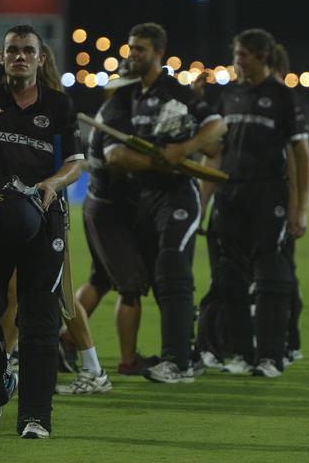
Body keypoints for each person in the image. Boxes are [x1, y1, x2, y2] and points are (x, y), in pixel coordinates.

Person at [0, 25, 83, 438]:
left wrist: (53, 184)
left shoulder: (58, 107)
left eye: (28, 51)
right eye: (12, 51)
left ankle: (35, 417)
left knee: (39, 320)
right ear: (2, 58)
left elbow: (76, 163)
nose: (20, 57)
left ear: (41, 59)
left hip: (44, 221)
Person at [108, 22, 225, 383]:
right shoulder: (131, 95)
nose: (133, 54)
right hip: (144, 197)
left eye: (140, 49)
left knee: (173, 265)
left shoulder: (174, 90)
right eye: (130, 47)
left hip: (178, 194)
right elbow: (115, 154)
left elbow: (217, 126)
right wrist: (152, 160)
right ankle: (188, 352)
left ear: (158, 52)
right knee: (161, 280)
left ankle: (179, 363)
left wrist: (183, 150)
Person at [201, 29, 303, 378]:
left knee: (271, 275)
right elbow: (215, 153)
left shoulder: (281, 96)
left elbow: (298, 154)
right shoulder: (229, 95)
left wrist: (298, 208)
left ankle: (271, 356)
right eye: (236, 54)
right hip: (230, 195)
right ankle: (242, 354)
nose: (237, 61)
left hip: (268, 194)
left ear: (262, 56)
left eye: (243, 55)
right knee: (230, 277)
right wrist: (203, 200)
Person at [73, 75, 159, 376]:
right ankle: (127, 360)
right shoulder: (120, 115)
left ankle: (62, 343)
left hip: (99, 206)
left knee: (100, 280)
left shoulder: (111, 111)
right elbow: (117, 158)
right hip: (110, 212)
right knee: (130, 286)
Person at [271, 43, 309, 364]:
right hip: (252, 202)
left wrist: (298, 208)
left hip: (278, 204)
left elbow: (298, 161)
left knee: (282, 275)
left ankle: (289, 340)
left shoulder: (286, 101)